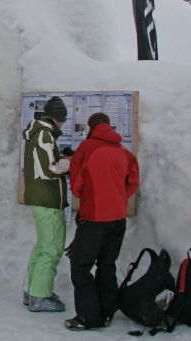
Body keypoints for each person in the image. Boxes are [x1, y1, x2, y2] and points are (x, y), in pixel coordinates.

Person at [65, 112, 140, 331]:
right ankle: (107, 312)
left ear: (91, 127)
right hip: (118, 219)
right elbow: (133, 180)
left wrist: (88, 194)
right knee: (107, 265)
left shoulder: (87, 149)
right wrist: (119, 196)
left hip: (94, 218)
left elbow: (77, 185)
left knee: (80, 266)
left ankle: (89, 317)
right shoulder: (123, 151)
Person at [22, 96, 71, 312]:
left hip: (41, 198)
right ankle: (40, 296)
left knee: (42, 246)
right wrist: (70, 162)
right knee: (51, 249)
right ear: (58, 118)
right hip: (48, 199)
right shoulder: (44, 135)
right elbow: (49, 169)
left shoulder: (40, 133)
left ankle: (32, 290)